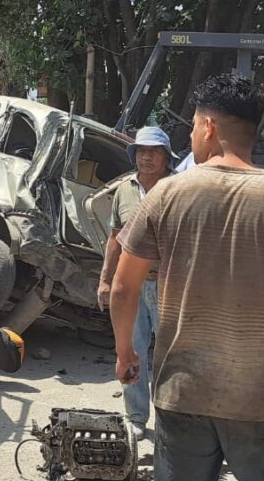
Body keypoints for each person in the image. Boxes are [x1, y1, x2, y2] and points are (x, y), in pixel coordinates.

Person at [110, 73, 264, 481]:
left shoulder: (165, 195)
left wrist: (125, 353)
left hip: (182, 394)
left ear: (209, 127)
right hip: (259, 400)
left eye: (196, 126)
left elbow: (123, 288)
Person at [96, 126, 177, 442]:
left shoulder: (176, 188)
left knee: (171, 358)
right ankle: (136, 418)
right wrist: (105, 280)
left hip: (168, 287)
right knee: (130, 351)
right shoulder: (124, 191)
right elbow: (114, 239)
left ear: (166, 157)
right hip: (130, 288)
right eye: (141, 151)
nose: (146, 156)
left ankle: (172, 421)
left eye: (154, 151)